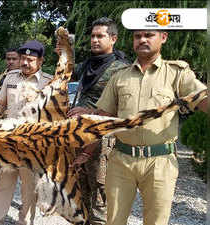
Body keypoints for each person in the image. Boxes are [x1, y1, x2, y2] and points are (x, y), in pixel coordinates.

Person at [78, 30, 207, 225]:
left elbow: (203, 101)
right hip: (121, 160)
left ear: (163, 37)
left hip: (160, 161)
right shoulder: (119, 77)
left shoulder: (177, 72)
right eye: (137, 36)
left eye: (149, 35)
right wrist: (86, 150)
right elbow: (103, 119)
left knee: (156, 221)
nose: (142, 40)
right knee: (113, 220)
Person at [59, 17, 129, 225]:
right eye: (92, 36)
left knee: (101, 197)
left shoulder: (121, 69)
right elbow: (64, 72)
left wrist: (88, 112)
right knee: (79, 193)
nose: (95, 40)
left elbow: (121, 110)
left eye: (100, 36)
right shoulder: (88, 65)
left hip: (103, 142)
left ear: (113, 39)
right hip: (78, 137)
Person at [0, 40, 52, 225]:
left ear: (41, 60)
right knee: (3, 186)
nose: (25, 63)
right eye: (23, 58)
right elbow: (1, 105)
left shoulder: (49, 82)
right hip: (9, 142)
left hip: (32, 146)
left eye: (30, 59)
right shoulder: (11, 78)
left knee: (29, 191)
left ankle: (24, 222)